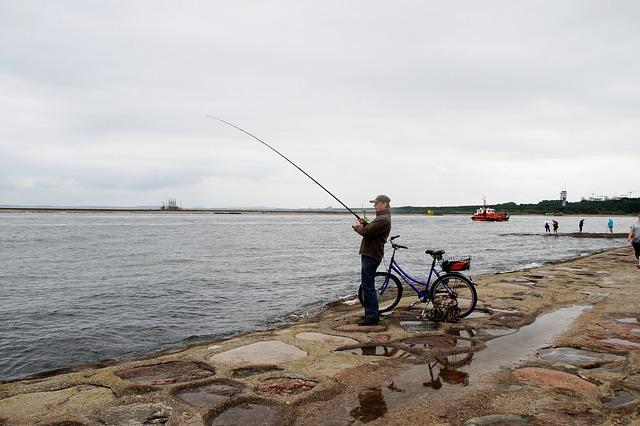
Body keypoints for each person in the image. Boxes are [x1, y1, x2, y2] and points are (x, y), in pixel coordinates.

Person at [352, 194, 392, 326]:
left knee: (368, 287)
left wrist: (357, 226)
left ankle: (372, 316)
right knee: (367, 286)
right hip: (370, 254)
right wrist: (366, 224)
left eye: (376, 203)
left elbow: (366, 233)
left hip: (371, 255)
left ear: (384, 204)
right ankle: (371, 313)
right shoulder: (381, 218)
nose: (374, 205)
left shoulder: (383, 219)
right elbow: (372, 230)